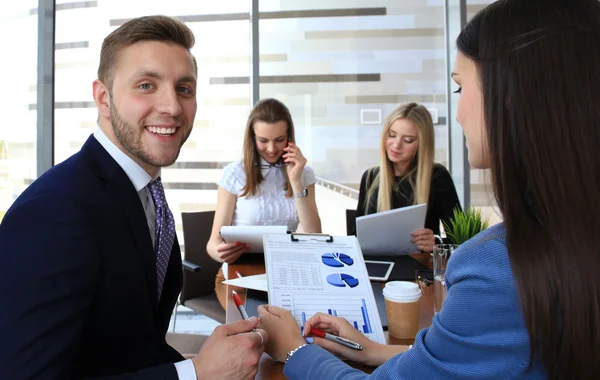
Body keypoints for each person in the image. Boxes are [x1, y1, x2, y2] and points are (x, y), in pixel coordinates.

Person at [258, 0, 600, 378]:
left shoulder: (492, 269)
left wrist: (292, 349)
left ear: (511, 96)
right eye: (392, 136)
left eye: (459, 88)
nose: (458, 112)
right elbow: (453, 362)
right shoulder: (373, 176)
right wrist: (372, 349)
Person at [0, 15, 267, 380]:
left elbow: (131, 342)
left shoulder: (141, 190)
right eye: (146, 85)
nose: (172, 107)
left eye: (184, 88)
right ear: (103, 97)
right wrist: (195, 374)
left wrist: (198, 361)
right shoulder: (54, 212)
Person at [207, 98, 322, 308]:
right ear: (252, 138)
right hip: (241, 273)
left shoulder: (303, 173)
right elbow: (213, 243)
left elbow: (314, 233)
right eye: (263, 140)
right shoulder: (234, 174)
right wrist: (220, 251)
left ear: (289, 136)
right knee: (259, 323)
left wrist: (296, 182)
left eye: (279, 139)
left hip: (287, 271)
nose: (271, 148)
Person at [351, 102, 461, 252]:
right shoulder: (371, 177)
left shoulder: (437, 176)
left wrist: (437, 242)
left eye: (408, 140)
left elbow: (461, 238)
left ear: (422, 144)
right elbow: (355, 238)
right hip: (376, 266)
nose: (396, 145)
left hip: (418, 267)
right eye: (392, 135)